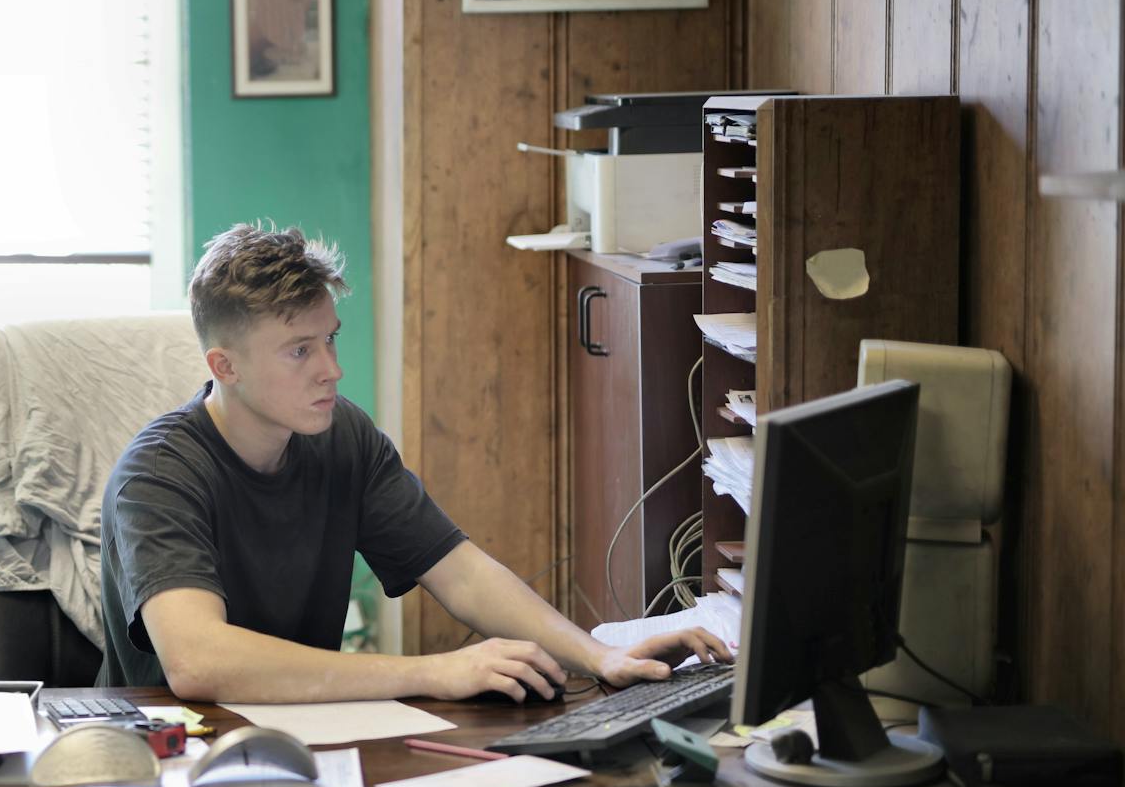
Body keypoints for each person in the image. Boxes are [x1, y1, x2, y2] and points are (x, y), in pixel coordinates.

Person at [98, 223, 730, 702]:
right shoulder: (156, 475)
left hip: (307, 731)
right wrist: (431, 671)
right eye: (299, 351)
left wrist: (597, 656)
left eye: (330, 339)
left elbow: (458, 571)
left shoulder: (340, 434)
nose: (332, 369)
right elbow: (196, 661)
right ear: (224, 367)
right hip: (172, 761)